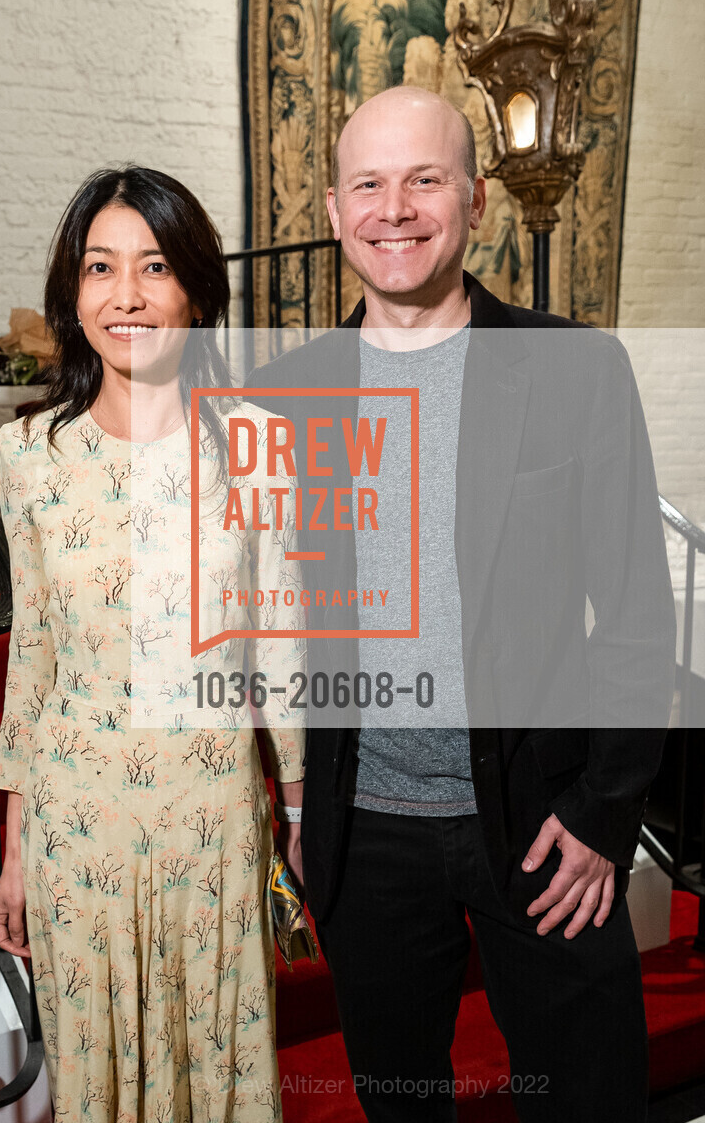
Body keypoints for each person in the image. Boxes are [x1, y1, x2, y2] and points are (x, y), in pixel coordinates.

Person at [246, 87, 676, 1122]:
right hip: (368, 842)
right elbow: (275, 628)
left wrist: (603, 816)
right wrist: (302, 812)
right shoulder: (290, 394)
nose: (394, 208)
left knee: (587, 1102)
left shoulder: (574, 370)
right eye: (368, 184)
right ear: (335, 206)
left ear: (475, 199)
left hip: (543, 829)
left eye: (423, 179)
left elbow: (632, 614)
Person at [0, 165, 306, 1123]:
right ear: (72, 293)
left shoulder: (254, 445)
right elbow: (33, 649)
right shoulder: (31, 455)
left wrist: (298, 812)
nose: (125, 295)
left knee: (221, 1073)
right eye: (99, 268)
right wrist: (13, 846)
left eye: (154, 266)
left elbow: (282, 646)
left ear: (197, 293)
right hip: (75, 824)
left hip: (207, 818)